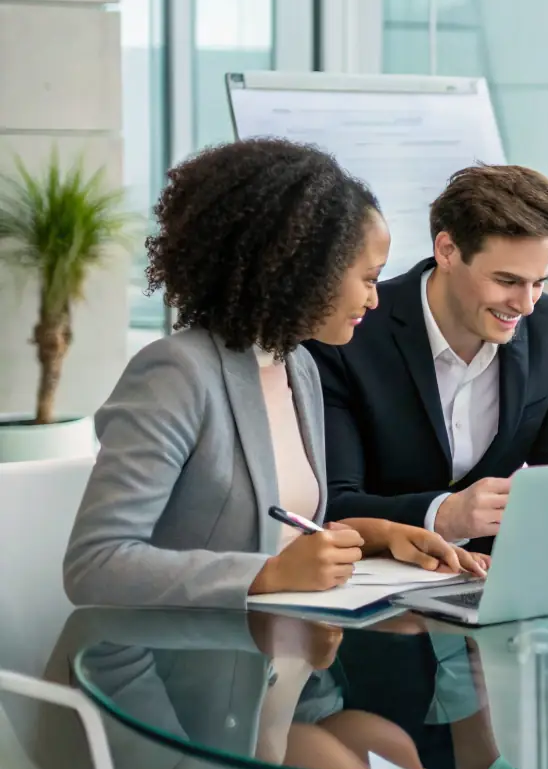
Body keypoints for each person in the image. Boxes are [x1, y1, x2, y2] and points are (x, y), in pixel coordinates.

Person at [64, 139, 487, 610]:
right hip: (188, 665)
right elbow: (95, 565)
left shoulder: (298, 365)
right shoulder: (175, 375)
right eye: (369, 278)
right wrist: (268, 574)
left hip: (291, 661)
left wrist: (377, 536)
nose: (375, 299)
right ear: (305, 269)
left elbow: (277, 532)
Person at [304, 163, 548, 549]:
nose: (526, 305)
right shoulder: (350, 330)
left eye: (539, 283)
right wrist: (442, 515)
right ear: (447, 251)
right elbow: (331, 503)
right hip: (374, 580)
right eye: (507, 281)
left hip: (499, 578)